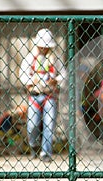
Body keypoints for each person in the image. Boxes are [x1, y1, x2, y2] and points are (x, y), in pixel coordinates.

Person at [19, 28, 62, 162]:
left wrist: (57, 80)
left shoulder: (55, 59)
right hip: (35, 95)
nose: (45, 49)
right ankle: (34, 146)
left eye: (47, 47)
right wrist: (33, 80)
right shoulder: (30, 59)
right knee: (32, 126)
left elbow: (63, 75)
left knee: (49, 125)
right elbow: (22, 76)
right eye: (43, 47)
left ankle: (46, 153)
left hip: (50, 96)